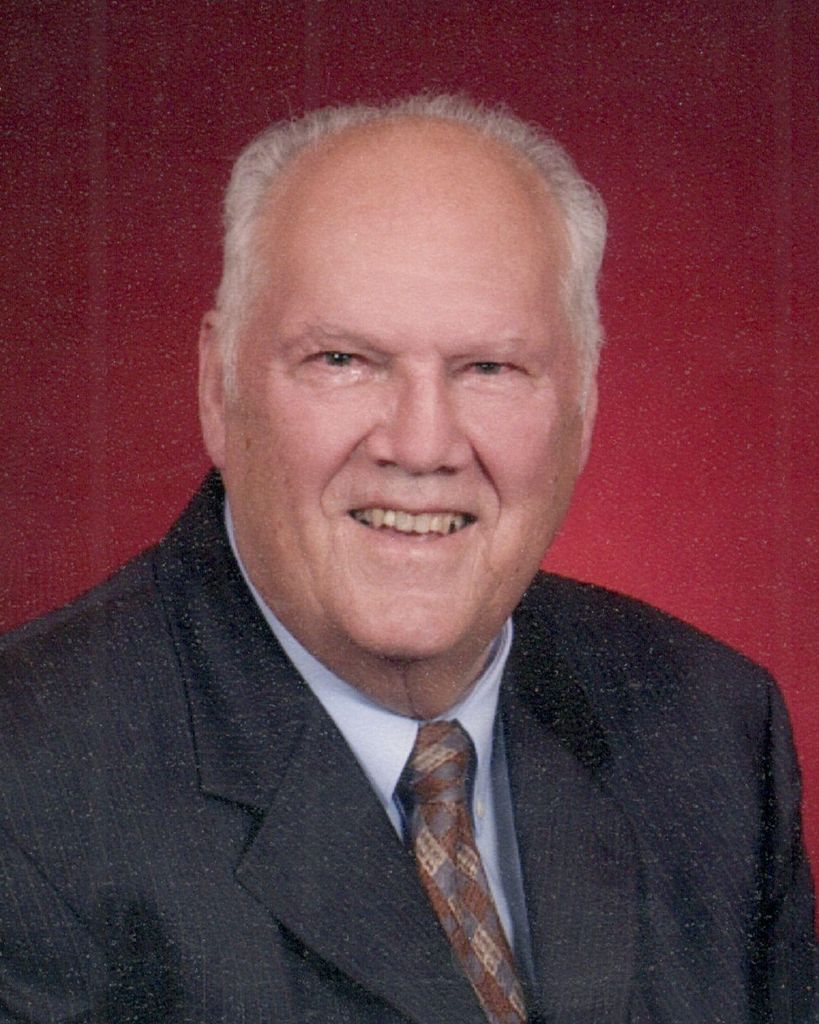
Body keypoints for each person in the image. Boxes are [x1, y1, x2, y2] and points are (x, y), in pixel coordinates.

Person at [0, 94, 815, 1024]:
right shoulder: (28, 788)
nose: (422, 445)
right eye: (343, 360)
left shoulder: (710, 730)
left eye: (489, 368)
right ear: (218, 388)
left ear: (582, 403)